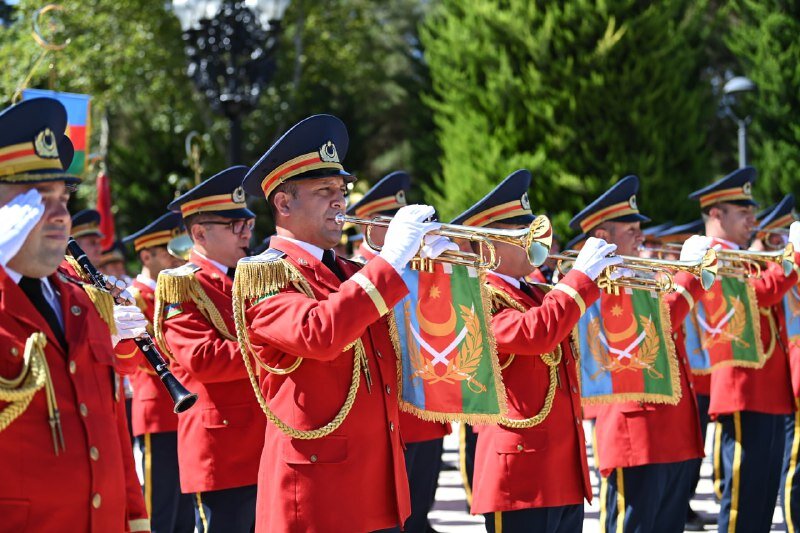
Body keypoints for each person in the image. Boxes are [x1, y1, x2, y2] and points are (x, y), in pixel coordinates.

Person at [235, 114, 445, 532]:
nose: (339, 201)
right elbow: (320, 332)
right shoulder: (265, 274)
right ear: (284, 203)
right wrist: (391, 260)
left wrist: (432, 273)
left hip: (377, 484)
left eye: (341, 191)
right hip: (318, 494)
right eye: (324, 191)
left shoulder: (351, 273)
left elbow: (415, 344)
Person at [0, 97, 149, 531]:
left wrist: (135, 519)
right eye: (36, 198)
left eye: (62, 197)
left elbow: (111, 430)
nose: (59, 215)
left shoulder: (84, 302)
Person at [450, 169, 620, 532]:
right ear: (489, 244)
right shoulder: (476, 296)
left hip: (560, 469)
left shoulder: (538, 293)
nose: (534, 242)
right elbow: (536, 333)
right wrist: (579, 280)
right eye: (521, 235)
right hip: (520, 474)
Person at [571, 175, 709, 533]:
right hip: (633, 432)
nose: (640, 234)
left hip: (672, 429)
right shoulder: (598, 284)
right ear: (602, 238)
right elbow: (656, 326)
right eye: (629, 228)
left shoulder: (642, 275)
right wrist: (688, 277)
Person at [154, 166, 265, 532]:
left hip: (262, 441)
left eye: (247, 224)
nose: (246, 233)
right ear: (199, 233)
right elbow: (204, 360)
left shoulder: (248, 277)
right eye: (235, 226)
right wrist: (277, 350)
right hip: (222, 448)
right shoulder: (182, 286)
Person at [689, 167, 800, 533]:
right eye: (743, 212)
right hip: (742, 392)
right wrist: (794, 257)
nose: (753, 219)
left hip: (767, 393)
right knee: (740, 509)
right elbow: (757, 295)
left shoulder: (741, 257)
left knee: (759, 506)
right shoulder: (712, 258)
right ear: (716, 214)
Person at [347, 170, 451, 533]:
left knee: (420, 518)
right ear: (374, 228)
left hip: (426, 413)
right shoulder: (357, 272)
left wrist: (448, 274)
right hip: (393, 417)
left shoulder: (420, 265)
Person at [124, 211, 194, 532]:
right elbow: (137, 358)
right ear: (146, 255)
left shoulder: (174, 290)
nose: (176, 256)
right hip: (157, 410)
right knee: (160, 508)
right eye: (168, 250)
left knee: (183, 508)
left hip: (182, 410)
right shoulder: (134, 298)